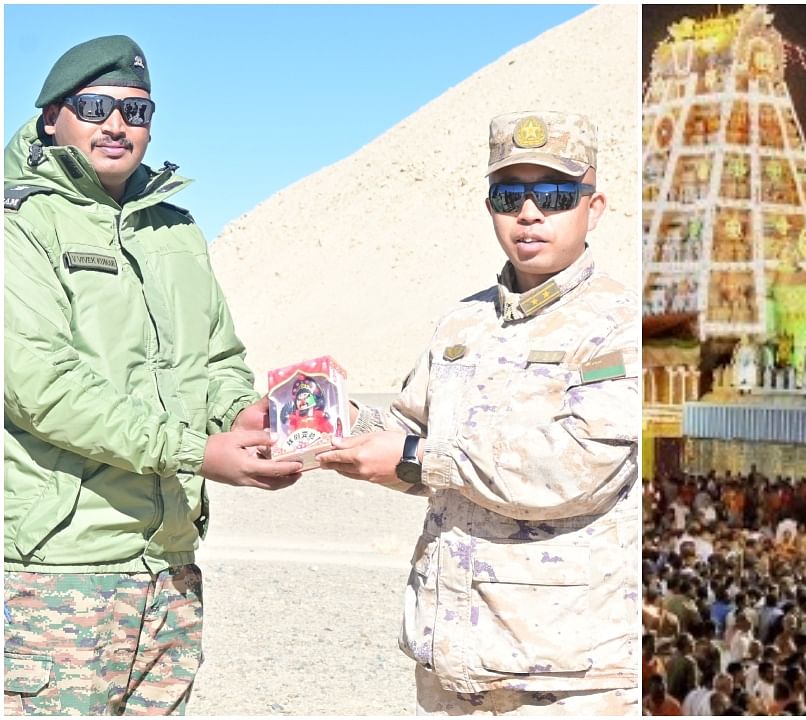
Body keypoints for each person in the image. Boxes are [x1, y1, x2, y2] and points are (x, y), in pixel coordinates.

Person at [4, 35, 301, 715]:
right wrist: (197, 452)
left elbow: (218, 358)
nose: (117, 125)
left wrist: (242, 419)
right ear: (53, 116)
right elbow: (40, 388)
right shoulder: (19, 226)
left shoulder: (174, 229)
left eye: (136, 112)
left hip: (170, 563)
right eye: (96, 106)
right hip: (60, 571)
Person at [317, 111, 637, 714]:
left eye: (556, 195)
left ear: (593, 209)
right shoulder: (463, 323)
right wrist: (337, 420)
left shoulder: (622, 326)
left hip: (567, 675)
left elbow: (578, 468)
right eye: (509, 195)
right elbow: (411, 431)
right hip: (455, 659)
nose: (530, 213)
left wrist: (417, 459)